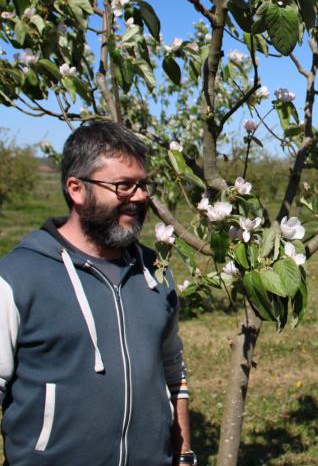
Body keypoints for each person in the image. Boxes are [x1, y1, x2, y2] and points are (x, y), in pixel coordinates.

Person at [0, 121, 197, 466]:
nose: (139, 197)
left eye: (143, 185)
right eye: (123, 186)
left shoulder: (155, 270)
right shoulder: (19, 277)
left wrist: (183, 454)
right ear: (76, 189)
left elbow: (173, 368)